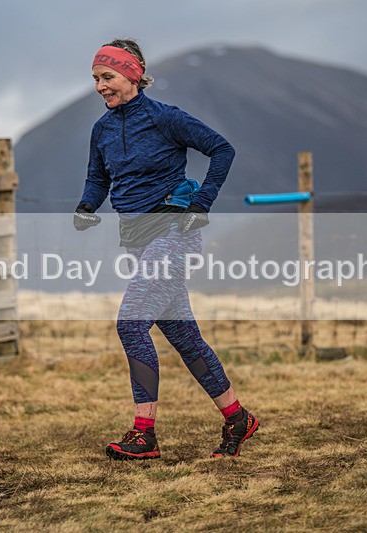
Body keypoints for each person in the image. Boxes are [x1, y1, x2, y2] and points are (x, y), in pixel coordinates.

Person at [74, 38, 258, 460]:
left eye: (108, 77)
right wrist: (87, 204)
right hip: (137, 240)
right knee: (183, 335)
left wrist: (201, 203)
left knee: (131, 323)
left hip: (173, 233)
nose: (100, 86)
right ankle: (237, 418)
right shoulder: (101, 129)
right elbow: (98, 177)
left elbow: (222, 149)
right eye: (96, 79)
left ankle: (144, 434)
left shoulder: (164, 118)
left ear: (132, 75)